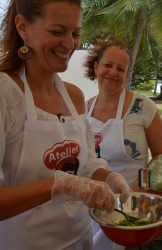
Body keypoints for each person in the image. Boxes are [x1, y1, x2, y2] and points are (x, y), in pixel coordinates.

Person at [0, 1, 131, 249]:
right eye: (57, 32)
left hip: (79, 240)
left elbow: (88, 163)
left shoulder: (74, 97)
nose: (70, 44)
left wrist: (111, 178)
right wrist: (60, 184)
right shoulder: (5, 95)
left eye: (76, 33)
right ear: (23, 27)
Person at [83, 39, 162, 250]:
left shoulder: (143, 107)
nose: (113, 72)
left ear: (126, 74)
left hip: (131, 204)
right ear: (96, 66)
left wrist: (140, 190)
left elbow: (160, 157)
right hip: (92, 204)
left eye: (121, 69)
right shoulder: (84, 108)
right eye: (108, 65)